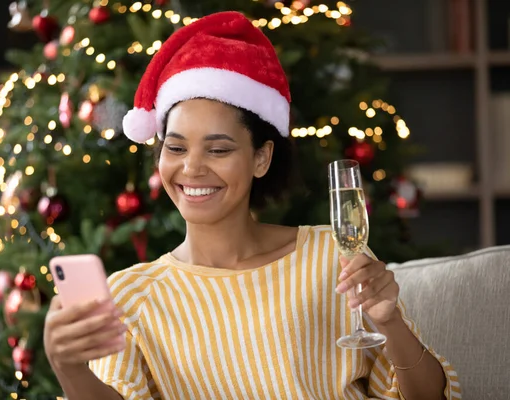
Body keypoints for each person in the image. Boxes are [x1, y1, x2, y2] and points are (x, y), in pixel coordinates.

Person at [43, 11, 461, 400]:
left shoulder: (333, 258)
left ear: (261, 157)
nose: (191, 167)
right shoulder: (131, 295)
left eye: (218, 150)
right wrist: (70, 368)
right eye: (175, 147)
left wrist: (389, 323)